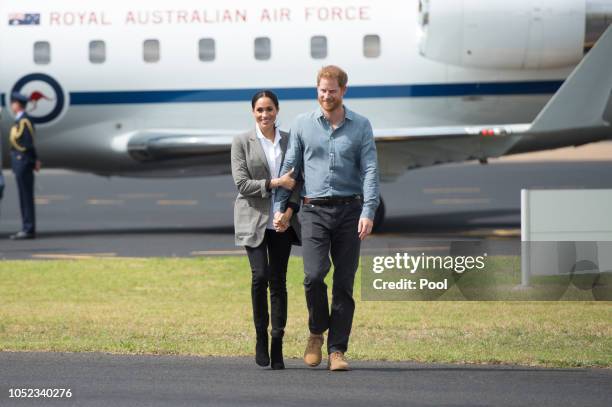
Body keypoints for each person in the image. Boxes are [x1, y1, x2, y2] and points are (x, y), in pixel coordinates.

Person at [274, 66, 379, 371]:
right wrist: (281, 206)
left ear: (343, 90)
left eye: (332, 90)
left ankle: (337, 350)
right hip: (313, 211)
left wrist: (368, 210)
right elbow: (290, 168)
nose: (326, 95)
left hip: (349, 211)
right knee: (314, 276)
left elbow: (371, 169)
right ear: (316, 89)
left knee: (344, 283)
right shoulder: (302, 124)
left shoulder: (360, 125)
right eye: (322, 90)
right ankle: (316, 331)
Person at [231, 90, 302, 370]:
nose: (265, 115)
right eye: (260, 110)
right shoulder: (241, 142)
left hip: (281, 220)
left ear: (277, 110)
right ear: (253, 112)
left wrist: (288, 212)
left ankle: (277, 340)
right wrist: (274, 183)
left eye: (269, 109)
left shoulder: (289, 140)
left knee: (279, 279)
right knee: (260, 276)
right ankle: (261, 336)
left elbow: (297, 180)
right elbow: (242, 184)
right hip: (253, 218)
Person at [8, 92, 41, 240]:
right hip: (20, 162)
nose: (11, 106)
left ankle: (28, 229)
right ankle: (26, 227)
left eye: (13, 103)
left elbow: (28, 143)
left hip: (23, 162)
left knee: (26, 197)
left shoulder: (24, 121)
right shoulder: (19, 120)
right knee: (23, 197)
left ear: (17, 104)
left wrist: (34, 160)